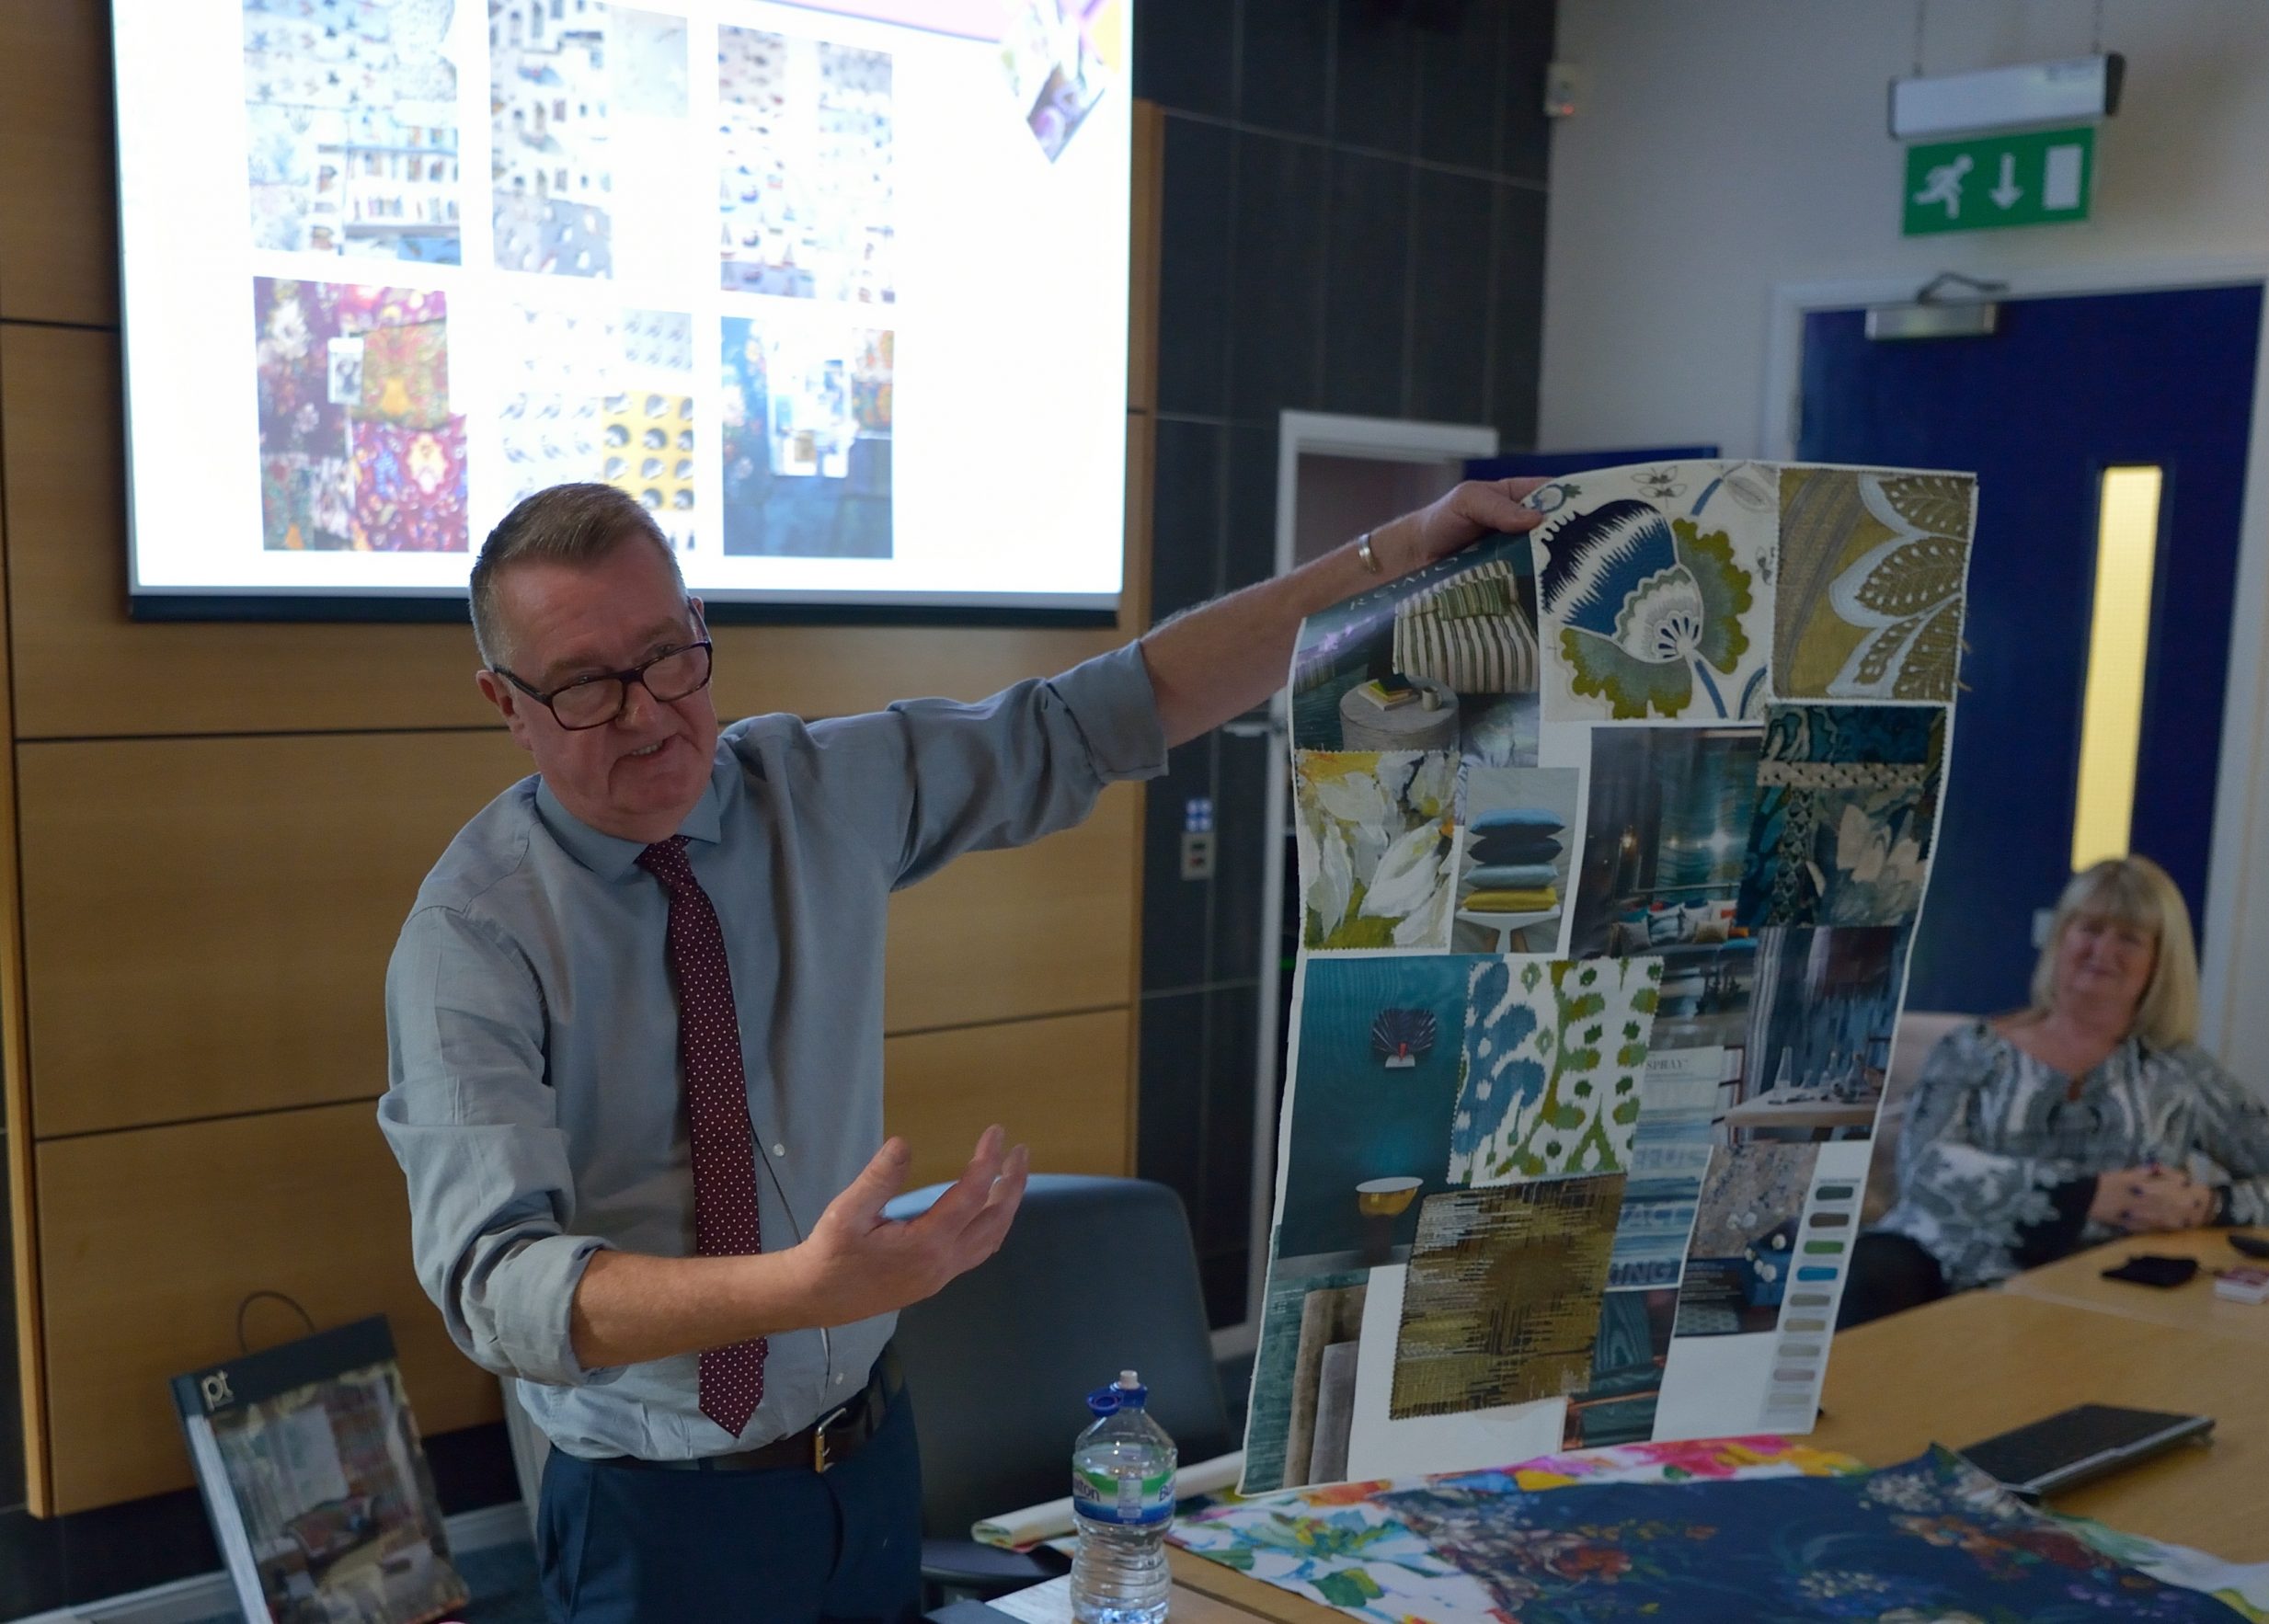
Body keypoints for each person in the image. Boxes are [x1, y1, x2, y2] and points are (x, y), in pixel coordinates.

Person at [379, 478, 1544, 1622]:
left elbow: (1103, 712)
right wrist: (797, 1288)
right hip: (661, 1513)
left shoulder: (810, 790)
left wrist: (1396, 553)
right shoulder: (472, 938)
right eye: (586, 684)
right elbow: (498, 1284)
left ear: (699, 627)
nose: (646, 713)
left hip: (874, 1461)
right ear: (506, 701)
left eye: (667, 657)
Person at [1844, 855, 2269, 1326]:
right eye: (2090, 929)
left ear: (2160, 962)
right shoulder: (1972, 1049)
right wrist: (2084, 1196)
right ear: (2061, 937)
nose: (2102, 950)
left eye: (2129, 938)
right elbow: (1924, 1169)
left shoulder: (2182, 1072)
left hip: (2099, 1286)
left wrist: (2207, 1204)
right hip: (1937, 1262)